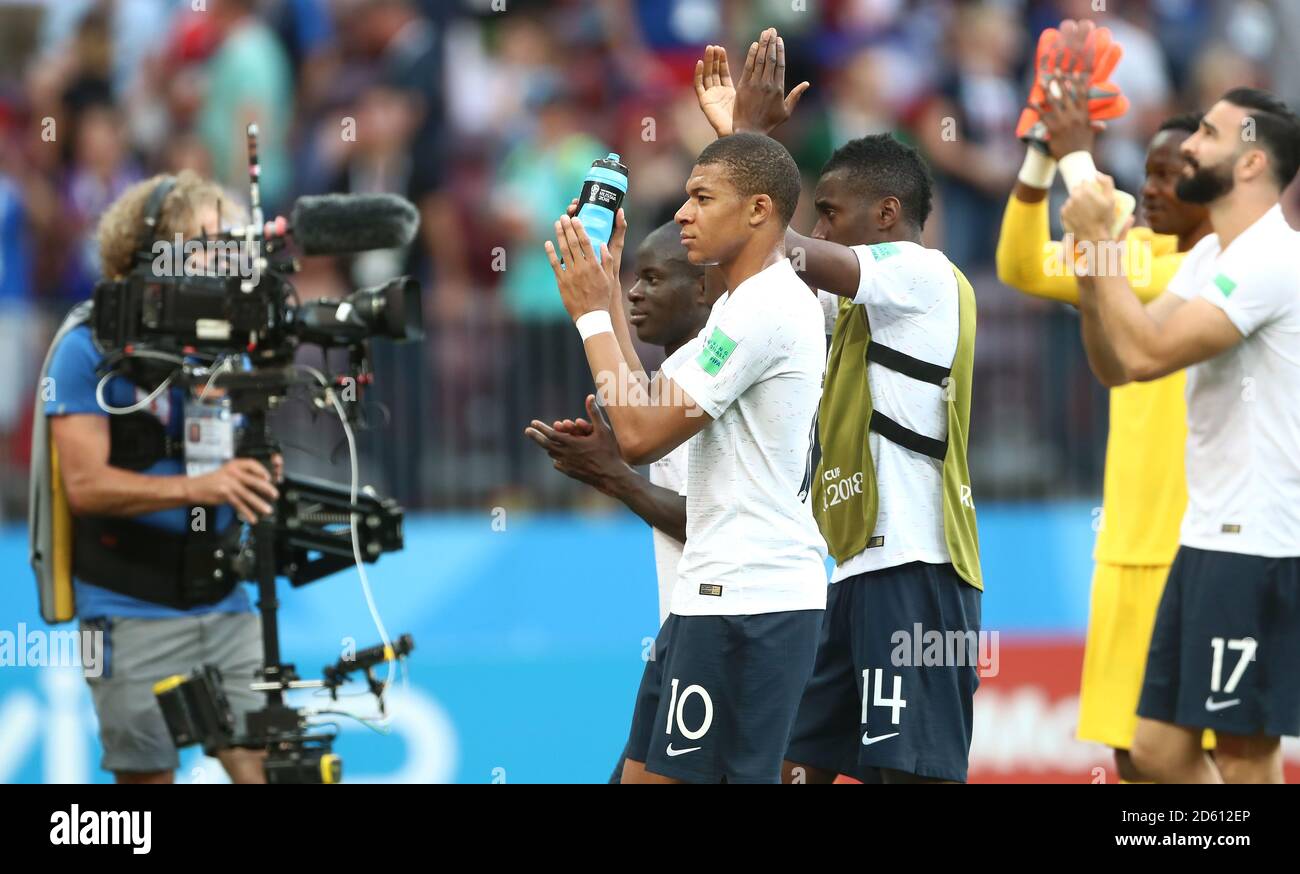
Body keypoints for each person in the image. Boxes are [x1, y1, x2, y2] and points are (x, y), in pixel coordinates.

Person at [694, 29, 983, 784]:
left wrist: (747, 142)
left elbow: (780, 248)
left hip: (918, 570)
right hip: (853, 570)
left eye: (830, 213)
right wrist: (743, 152)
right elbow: (758, 272)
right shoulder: (848, 309)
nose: (818, 228)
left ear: (886, 214)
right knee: (792, 766)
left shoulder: (922, 276)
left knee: (904, 775)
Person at [545, 121, 827, 783]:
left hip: (750, 601)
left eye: (702, 198)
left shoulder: (764, 310)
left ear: (759, 210)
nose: (681, 210)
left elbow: (639, 435)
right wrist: (605, 289)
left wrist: (590, 313)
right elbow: (637, 399)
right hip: (709, 597)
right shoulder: (741, 308)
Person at [1062, 87, 1300, 783]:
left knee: (1242, 753)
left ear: (1252, 163)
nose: (1189, 145)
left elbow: (1144, 354)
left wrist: (1105, 242)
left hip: (1257, 544)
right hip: (1205, 540)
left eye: (1207, 134)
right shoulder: (1209, 260)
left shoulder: (1270, 261)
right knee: (1156, 752)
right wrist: (1091, 278)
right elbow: (1117, 369)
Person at [995, 73, 1213, 781]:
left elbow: (1105, 256)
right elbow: (1022, 264)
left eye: (1172, 176)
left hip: (1194, 547)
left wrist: (1074, 152)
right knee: (1133, 759)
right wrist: (1039, 155)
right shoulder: (1139, 259)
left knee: (1189, 752)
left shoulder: (1223, 271)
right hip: (1124, 543)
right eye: (1145, 172)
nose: (1150, 189)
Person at [44, 171, 279, 783]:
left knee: (267, 769)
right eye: (209, 244)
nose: (227, 260)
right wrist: (203, 489)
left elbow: (225, 455)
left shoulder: (225, 340)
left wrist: (255, 473)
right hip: (123, 607)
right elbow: (85, 485)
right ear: (154, 254)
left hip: (223, 597)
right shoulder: (86, 343)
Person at [524, 220, 716, 783]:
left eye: (653, 279)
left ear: (702, 289)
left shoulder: (716, 367)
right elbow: (637, 410)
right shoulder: (684, 365)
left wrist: (615, 476)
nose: (636, 291)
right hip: (685, 629)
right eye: (634, 278)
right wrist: (602, 289)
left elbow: (716, 521)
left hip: (718, 626)